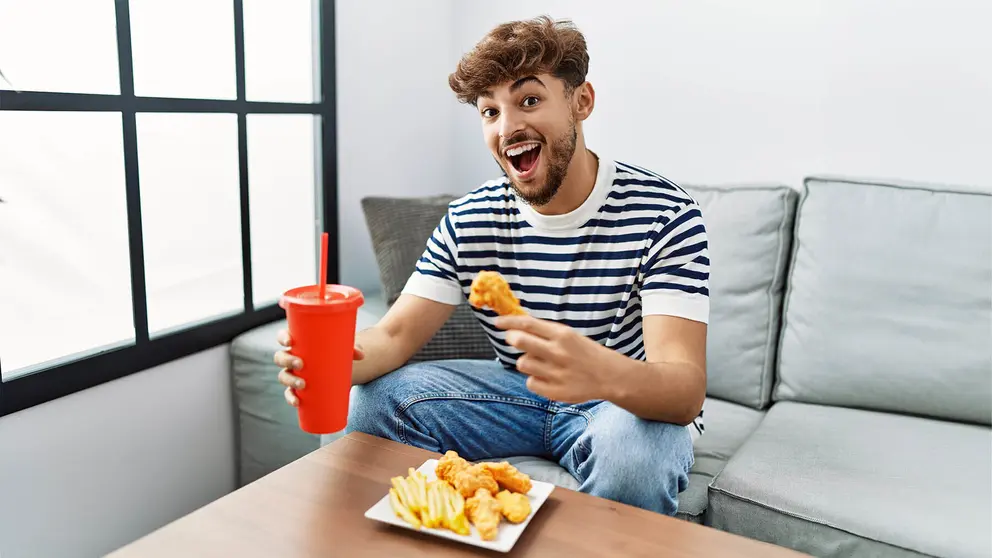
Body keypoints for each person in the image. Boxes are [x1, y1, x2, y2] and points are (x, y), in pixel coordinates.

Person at [274, 15, 709, 516]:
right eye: (489, 112)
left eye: (528, 100)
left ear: (581, 101)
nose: (508, 128)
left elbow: (683, 388)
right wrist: (327, 359)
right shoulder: (471, 217)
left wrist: (597, 371)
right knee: (373, 402)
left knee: (635, 456)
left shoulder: (664, 213)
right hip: (514, 396)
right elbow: (393, 338)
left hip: (619, 404)